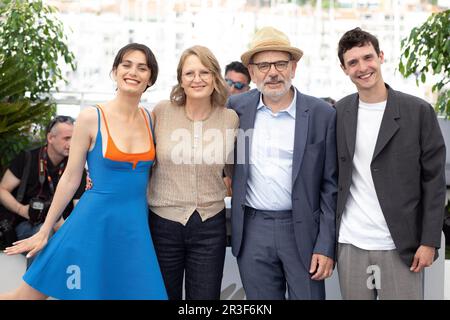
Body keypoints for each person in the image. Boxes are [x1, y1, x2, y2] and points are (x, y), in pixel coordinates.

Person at [1, 43, 167, 300]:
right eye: (126, 65)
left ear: (150, 78)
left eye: (142, 68)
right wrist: (45, 230)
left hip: (134, 229)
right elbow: (70, 177)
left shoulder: (151, 118)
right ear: (114, 72)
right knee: (24, 298)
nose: (133, 72)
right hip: (91, 223)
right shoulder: (91, 117)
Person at [335, 27, 446, 300]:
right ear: (344, 69)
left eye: (367, 57)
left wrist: (429, 241)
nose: (363, 67)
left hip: (400, 246)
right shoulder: (339, 111)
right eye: (353, 62)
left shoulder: (418, 111)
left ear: (381, 56)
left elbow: (434, 182)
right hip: (351, 243)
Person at [227, 26, 337, 300]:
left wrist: (325, 245)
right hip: (252, 229)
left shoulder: (322, 114)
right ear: (252, 72)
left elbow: (330, 186)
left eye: (280, 64)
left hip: (303, 231)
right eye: (263, 65)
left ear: (293, 68)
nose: (272, 72)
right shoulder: (235, 108)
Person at [147, 45, 239, 300]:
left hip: (210, 224)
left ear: (215, 77)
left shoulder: (230, 118)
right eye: (189, 73)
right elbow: (140, 159)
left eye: (204, 72)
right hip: (162, 224)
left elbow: (234, 169)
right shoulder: (161, 112)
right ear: (180, 80)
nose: (197, 79)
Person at [0, 116, 87, 268]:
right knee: (43, 235)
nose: (71, 144)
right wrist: (22, 209)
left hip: (60, 227)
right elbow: (2, 189)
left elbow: (79, 207)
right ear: (50, 138)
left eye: (74, 138)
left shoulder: (77, 166)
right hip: (27, 223)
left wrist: (63, 226)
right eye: (66, 138)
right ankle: (32, 290)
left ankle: (33, 290)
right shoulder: (27, 158)